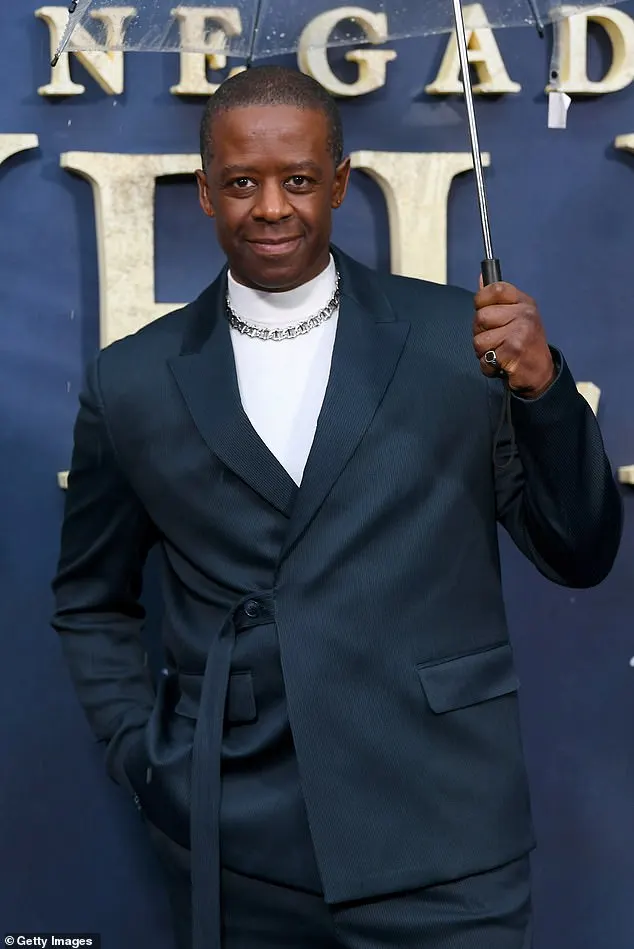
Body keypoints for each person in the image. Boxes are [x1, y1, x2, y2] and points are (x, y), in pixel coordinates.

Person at [52, 65, 622, 949]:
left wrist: (545, 395)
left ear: (342, 184)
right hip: (241, 843)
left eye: (298, 180)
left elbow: (579, 549)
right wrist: (146, 757)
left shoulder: (460, 341)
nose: (271, 206)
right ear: (205, 193)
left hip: (444, 838)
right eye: (242, 182)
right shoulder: (131, 379)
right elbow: (91, 597)